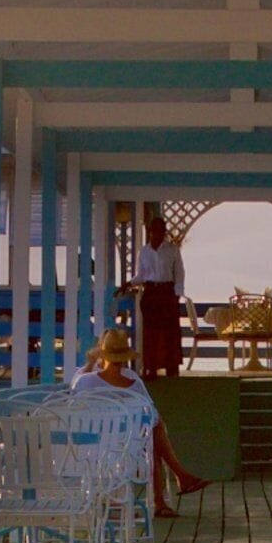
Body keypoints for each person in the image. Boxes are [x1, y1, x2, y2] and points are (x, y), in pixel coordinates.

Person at [74, 325, 210, 516]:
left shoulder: (85, 382)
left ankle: (175, 484)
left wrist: (91, 365)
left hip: (90, 449)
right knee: (152, 435)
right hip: (127, 451)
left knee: (151, 435)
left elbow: (73, 406)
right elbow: (152, 415)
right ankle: (169, 489)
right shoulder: (132, 382)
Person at [133, 209, 188, 377]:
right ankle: (151, 366)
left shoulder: (172, 250)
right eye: (155, 231)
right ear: (150, 232)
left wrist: (177, 294)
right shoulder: (144, 252)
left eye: (162, 231)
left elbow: (179, 272)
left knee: (170, 331)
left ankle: (172, 365)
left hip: (167, 292)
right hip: (151, 292)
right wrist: (128, 284)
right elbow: (141, 275)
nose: (158, 234)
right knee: (150, 332)